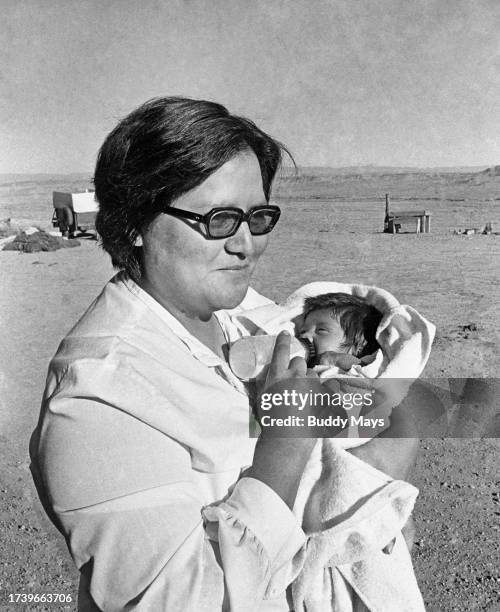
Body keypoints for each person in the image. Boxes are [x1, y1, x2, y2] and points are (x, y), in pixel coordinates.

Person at [29, 96, 419, 611]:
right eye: (218, 219)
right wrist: (287, 442)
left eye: (257, 217)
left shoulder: (238, 316)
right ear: (133, 226)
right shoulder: (99, 395)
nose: (247, 244)